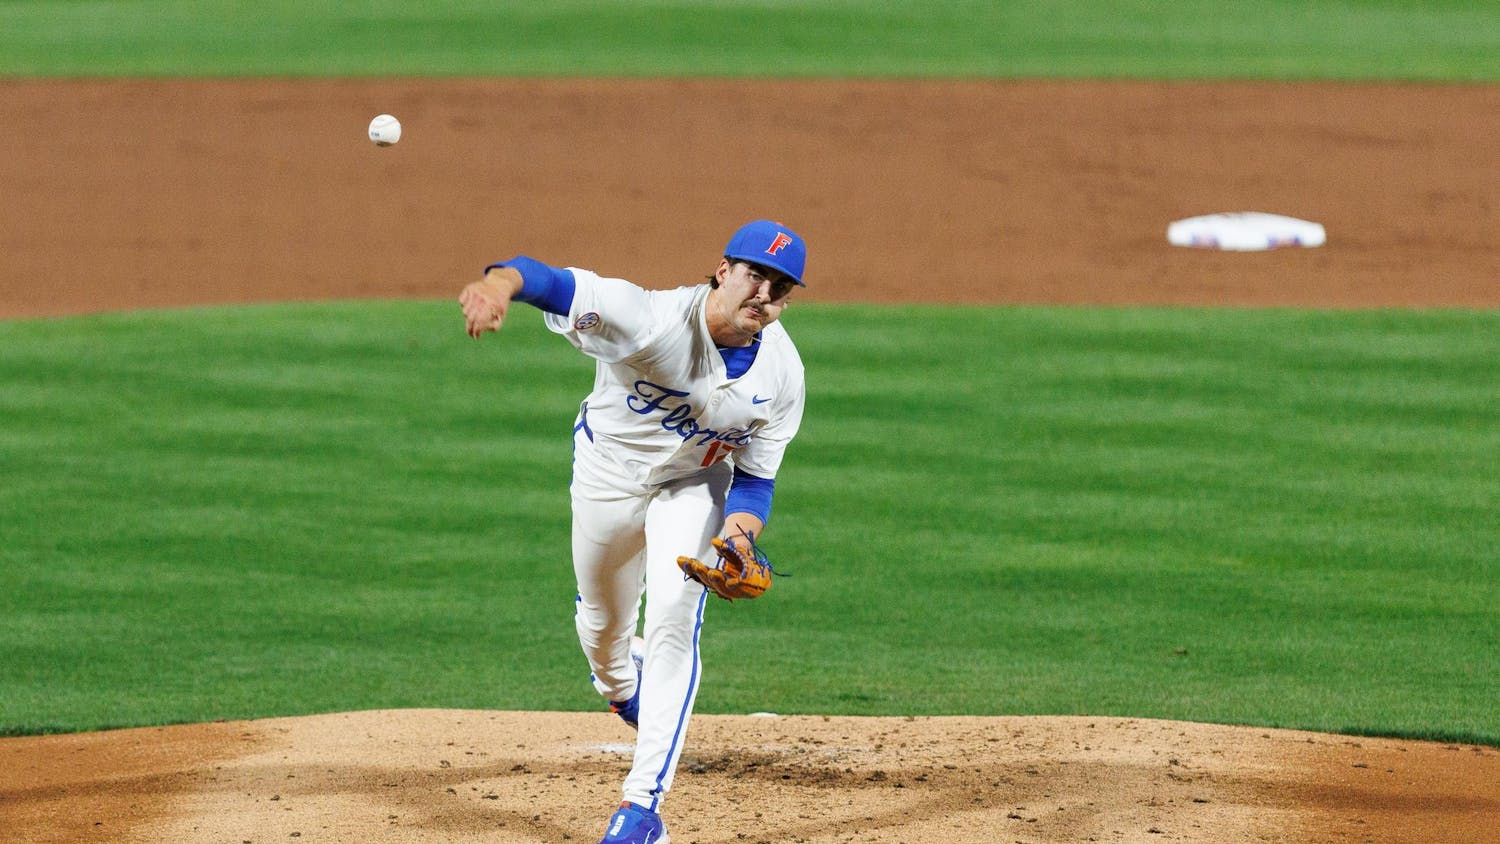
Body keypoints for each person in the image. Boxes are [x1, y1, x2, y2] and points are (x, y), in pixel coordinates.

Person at [458, 220, 809, 844]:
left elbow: (755, 481)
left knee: (675, 615)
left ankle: (642, 810)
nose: (764, 295)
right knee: (603, 626)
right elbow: (548, 281)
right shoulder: (646, 318)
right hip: (606, 477)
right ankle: (622, 688)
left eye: (780, 288)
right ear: (723, 269)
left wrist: (739, 537)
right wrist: (497, 287)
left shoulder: (783, 376)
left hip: (693, 484)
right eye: (756, 275)